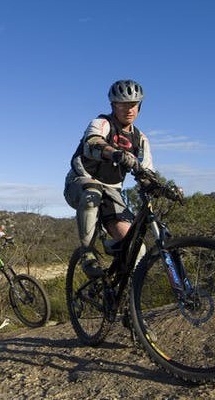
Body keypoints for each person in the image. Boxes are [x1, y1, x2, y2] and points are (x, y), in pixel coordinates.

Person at [64, 79, 167, 277]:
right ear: (113, 105)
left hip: (112, 193)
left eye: (133, 105)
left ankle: (122, 294)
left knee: (136, 248)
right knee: (92, 193)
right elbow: (92, 142)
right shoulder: (102, 123)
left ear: (139, 106)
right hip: (79, 182)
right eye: (123, 104)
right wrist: (115, 153)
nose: (129, 109)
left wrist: (161, 188)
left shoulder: (140, 139)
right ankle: (88, 255)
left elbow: (146, 173)